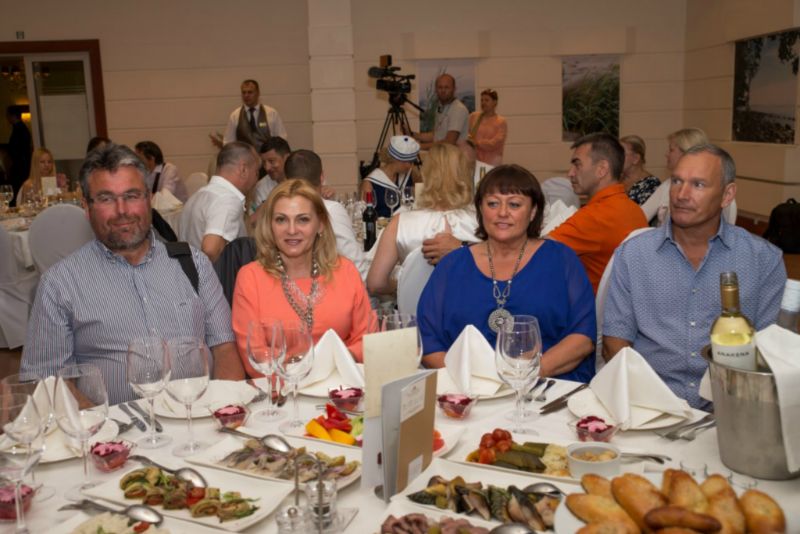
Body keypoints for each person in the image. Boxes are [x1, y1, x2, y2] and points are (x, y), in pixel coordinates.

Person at [20, 143, 244, 404]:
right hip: (112, 426)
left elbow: (224, 348)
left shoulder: (193, 264)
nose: (122, 210)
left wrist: (225, 411)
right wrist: (101, 425)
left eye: (132, 195)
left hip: (197, 417)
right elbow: (47, 380)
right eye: (106, 198)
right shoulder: (60, 284)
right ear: (86, 207)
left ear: (148, 199)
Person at [603, 144, 786, 410]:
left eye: (698, 184)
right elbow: (615, 342)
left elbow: (771, 353)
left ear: (727, 195)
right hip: (648, 407)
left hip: (730, 410)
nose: (681, 194)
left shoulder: (763, 260)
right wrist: (647, 404)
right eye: (677, 181)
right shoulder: (634, 254)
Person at [417, 164, 596, 382]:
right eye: (493, 203)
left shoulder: (561, 260)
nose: (502, 213)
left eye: (514, 204)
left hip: (546, 384)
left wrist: (526, 374)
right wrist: (471, 381)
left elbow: (583, 337)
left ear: (532, 212)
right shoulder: (452, 265)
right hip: (467, 388)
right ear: (480, 209)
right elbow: (427, 340)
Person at [231, 179, 371, 373]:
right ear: (270, 226)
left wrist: (327, 365)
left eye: (303, 219)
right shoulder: (250, 278)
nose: (291, 230)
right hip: (281, 387)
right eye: (281, 220)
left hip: (340, 384)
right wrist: (314, 367)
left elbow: (367, 340)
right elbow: (255, 356)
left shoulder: (345, 271)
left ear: (320, 225)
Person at [367, 143, 477, 295]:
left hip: (416, 309)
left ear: (426, 175)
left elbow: (375, 284)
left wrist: (404, 286)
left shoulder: (400, 223)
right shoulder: (483, 222)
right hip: (471, 307)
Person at [549, 133, 648, 293]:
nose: (570, 173)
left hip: (593, 306)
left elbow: (537, 254)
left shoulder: (596, 216)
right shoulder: (634, 209)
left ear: (602, 169)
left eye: (577, 165)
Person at [284, 149, 369, 279]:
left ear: (286, 181)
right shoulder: (330, 210)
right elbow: (356, 264)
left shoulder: (278, 211)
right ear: (322, 177)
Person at [179, 142, 260, 262]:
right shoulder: (228, 200)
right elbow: (211, 250)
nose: (256, 179)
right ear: (243, 169)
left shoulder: (197, 196)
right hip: (213, 274)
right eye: (256, 172)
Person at [216, 79, 287, 149]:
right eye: (243, 92)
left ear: (258, 93)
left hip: (267, 155)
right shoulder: (235, 116)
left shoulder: (271, 113)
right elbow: (228, 142)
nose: (246, 95)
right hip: (243, 156)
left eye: (250, 92)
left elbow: (281, 139)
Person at [361, 135, 419, 218]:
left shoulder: (411, 175)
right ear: (395, 159)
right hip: (381, 225)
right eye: (408, 162)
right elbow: (366, 215)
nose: (410, 166)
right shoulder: (370, 183)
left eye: (412, 162)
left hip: (407, 223)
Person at [411, 74, 469, 149]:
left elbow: (449, 142)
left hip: (454, 155)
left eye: (446, 87)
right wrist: (413, 134)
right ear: (436, 90)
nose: (443, 90)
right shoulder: (441, 107)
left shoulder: (458, 109)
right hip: (441, 154)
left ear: (454, 89)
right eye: (440, 87)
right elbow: (436, 135)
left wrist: (419, 146)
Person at [251, 136, 291, 212]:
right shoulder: (261, 187)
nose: (267, 168)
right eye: (264, 163)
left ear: (286, 158)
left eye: (271, 161)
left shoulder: (302, 178)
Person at [468, 88, 507, 166]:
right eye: (482, 100)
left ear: (495, 102)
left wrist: (477, 143)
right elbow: (468, 135)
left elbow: (495, 143)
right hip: (475, 159)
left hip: (492, 161)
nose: (483, 103)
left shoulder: (501, 121)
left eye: (486, 100)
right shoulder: (474, 117)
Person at [620, 134, 660, 205]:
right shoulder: (616, 179)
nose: (616, 157)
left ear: (636, 158)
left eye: (621, 153)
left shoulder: (651, 185)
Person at [5, 105, 32, 202]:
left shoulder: (20, 130)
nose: (7, 118)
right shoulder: (20, 128)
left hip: (20, 167)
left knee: (17, 190)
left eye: (8, 115)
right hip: (21, 166)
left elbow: (17, 150)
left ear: (13, 116)